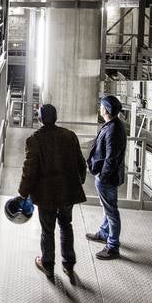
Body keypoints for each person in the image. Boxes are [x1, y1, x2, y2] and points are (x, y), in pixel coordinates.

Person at [18, 103, 87, 280]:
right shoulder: (69, 136)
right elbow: (81, 163)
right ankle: (69, 264)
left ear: (39, 119)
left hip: (46, 194)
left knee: (47, 230)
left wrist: (23, 193)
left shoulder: (34, 139)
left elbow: (30, 170)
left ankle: (47, 265)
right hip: (67, 192)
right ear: (56, 117)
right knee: (66, 225)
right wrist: (77, 183)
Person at [86, 94, 127, 260]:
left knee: (111, 211)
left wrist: (102, 176)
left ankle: (113, 246)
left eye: (102, 105)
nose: (100, 107)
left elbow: (111, 157)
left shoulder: (113, 129)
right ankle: (104, 233)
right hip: (105, 176)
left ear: (106, 109)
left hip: (107, 178)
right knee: (107, 207)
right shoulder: (111, 125)